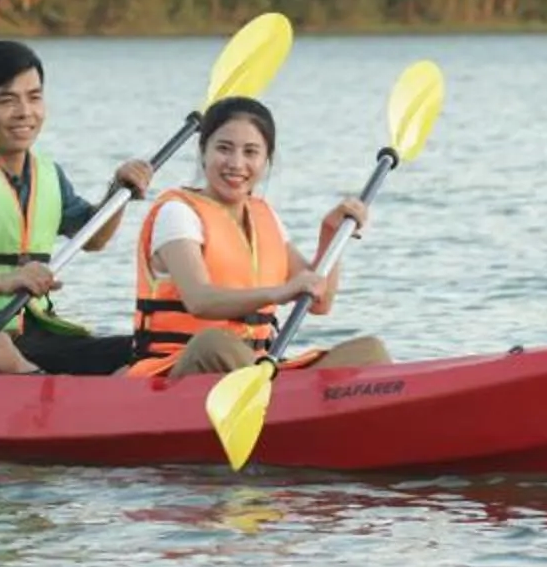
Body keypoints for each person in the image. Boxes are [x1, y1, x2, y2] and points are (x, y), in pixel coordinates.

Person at [0, 40, 156, 374]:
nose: (25, 112)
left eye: (34, 97)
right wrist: (6, 280)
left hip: (36, 333)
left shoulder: (47, 174)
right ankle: (53, 396)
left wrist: (118, 191)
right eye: (8, 100)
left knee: (141, 349)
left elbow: (93, 239)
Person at [130, 94, 390, 377]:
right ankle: (282, 403)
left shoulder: (266, 217)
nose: (236, 163)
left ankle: (285, 404)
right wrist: (278, 293)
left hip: (259, 368)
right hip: (177, 368)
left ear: (266, 160)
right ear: (203, 151)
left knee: (370, 352)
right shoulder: (177, 213)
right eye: (224, 149)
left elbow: (320, 301)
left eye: (251, 152)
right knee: (213, 343)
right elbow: (199, 300)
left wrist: (331, 235)